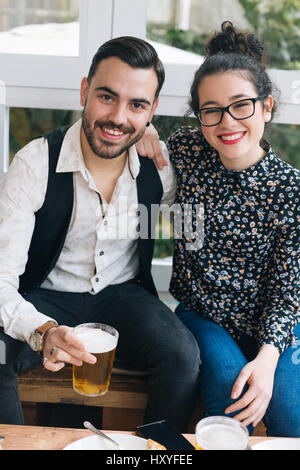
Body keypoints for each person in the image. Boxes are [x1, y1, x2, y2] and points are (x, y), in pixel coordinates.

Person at [0, 36, 201, 429]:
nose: (118, 117)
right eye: (107, 97)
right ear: (84, 91)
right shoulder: (34, 164)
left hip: (123, 296)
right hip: (43, 295)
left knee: (183, 355)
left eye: (137, 105)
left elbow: (193, 224)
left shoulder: (160, 167)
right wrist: (42, 331)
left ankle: (156, 455)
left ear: (152, 111)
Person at [137, 22, 300, 437]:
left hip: (275, 322)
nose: (227, 122)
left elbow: (287, 293)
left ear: (267, 107)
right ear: (199, 116)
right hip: (203, 314)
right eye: (211, 109)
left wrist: (266, 359)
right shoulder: (188, 150)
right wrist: (145, 129)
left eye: (241, 105)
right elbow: (138, 139)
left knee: (288, 414)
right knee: (230, 403)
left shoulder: (290, 189)